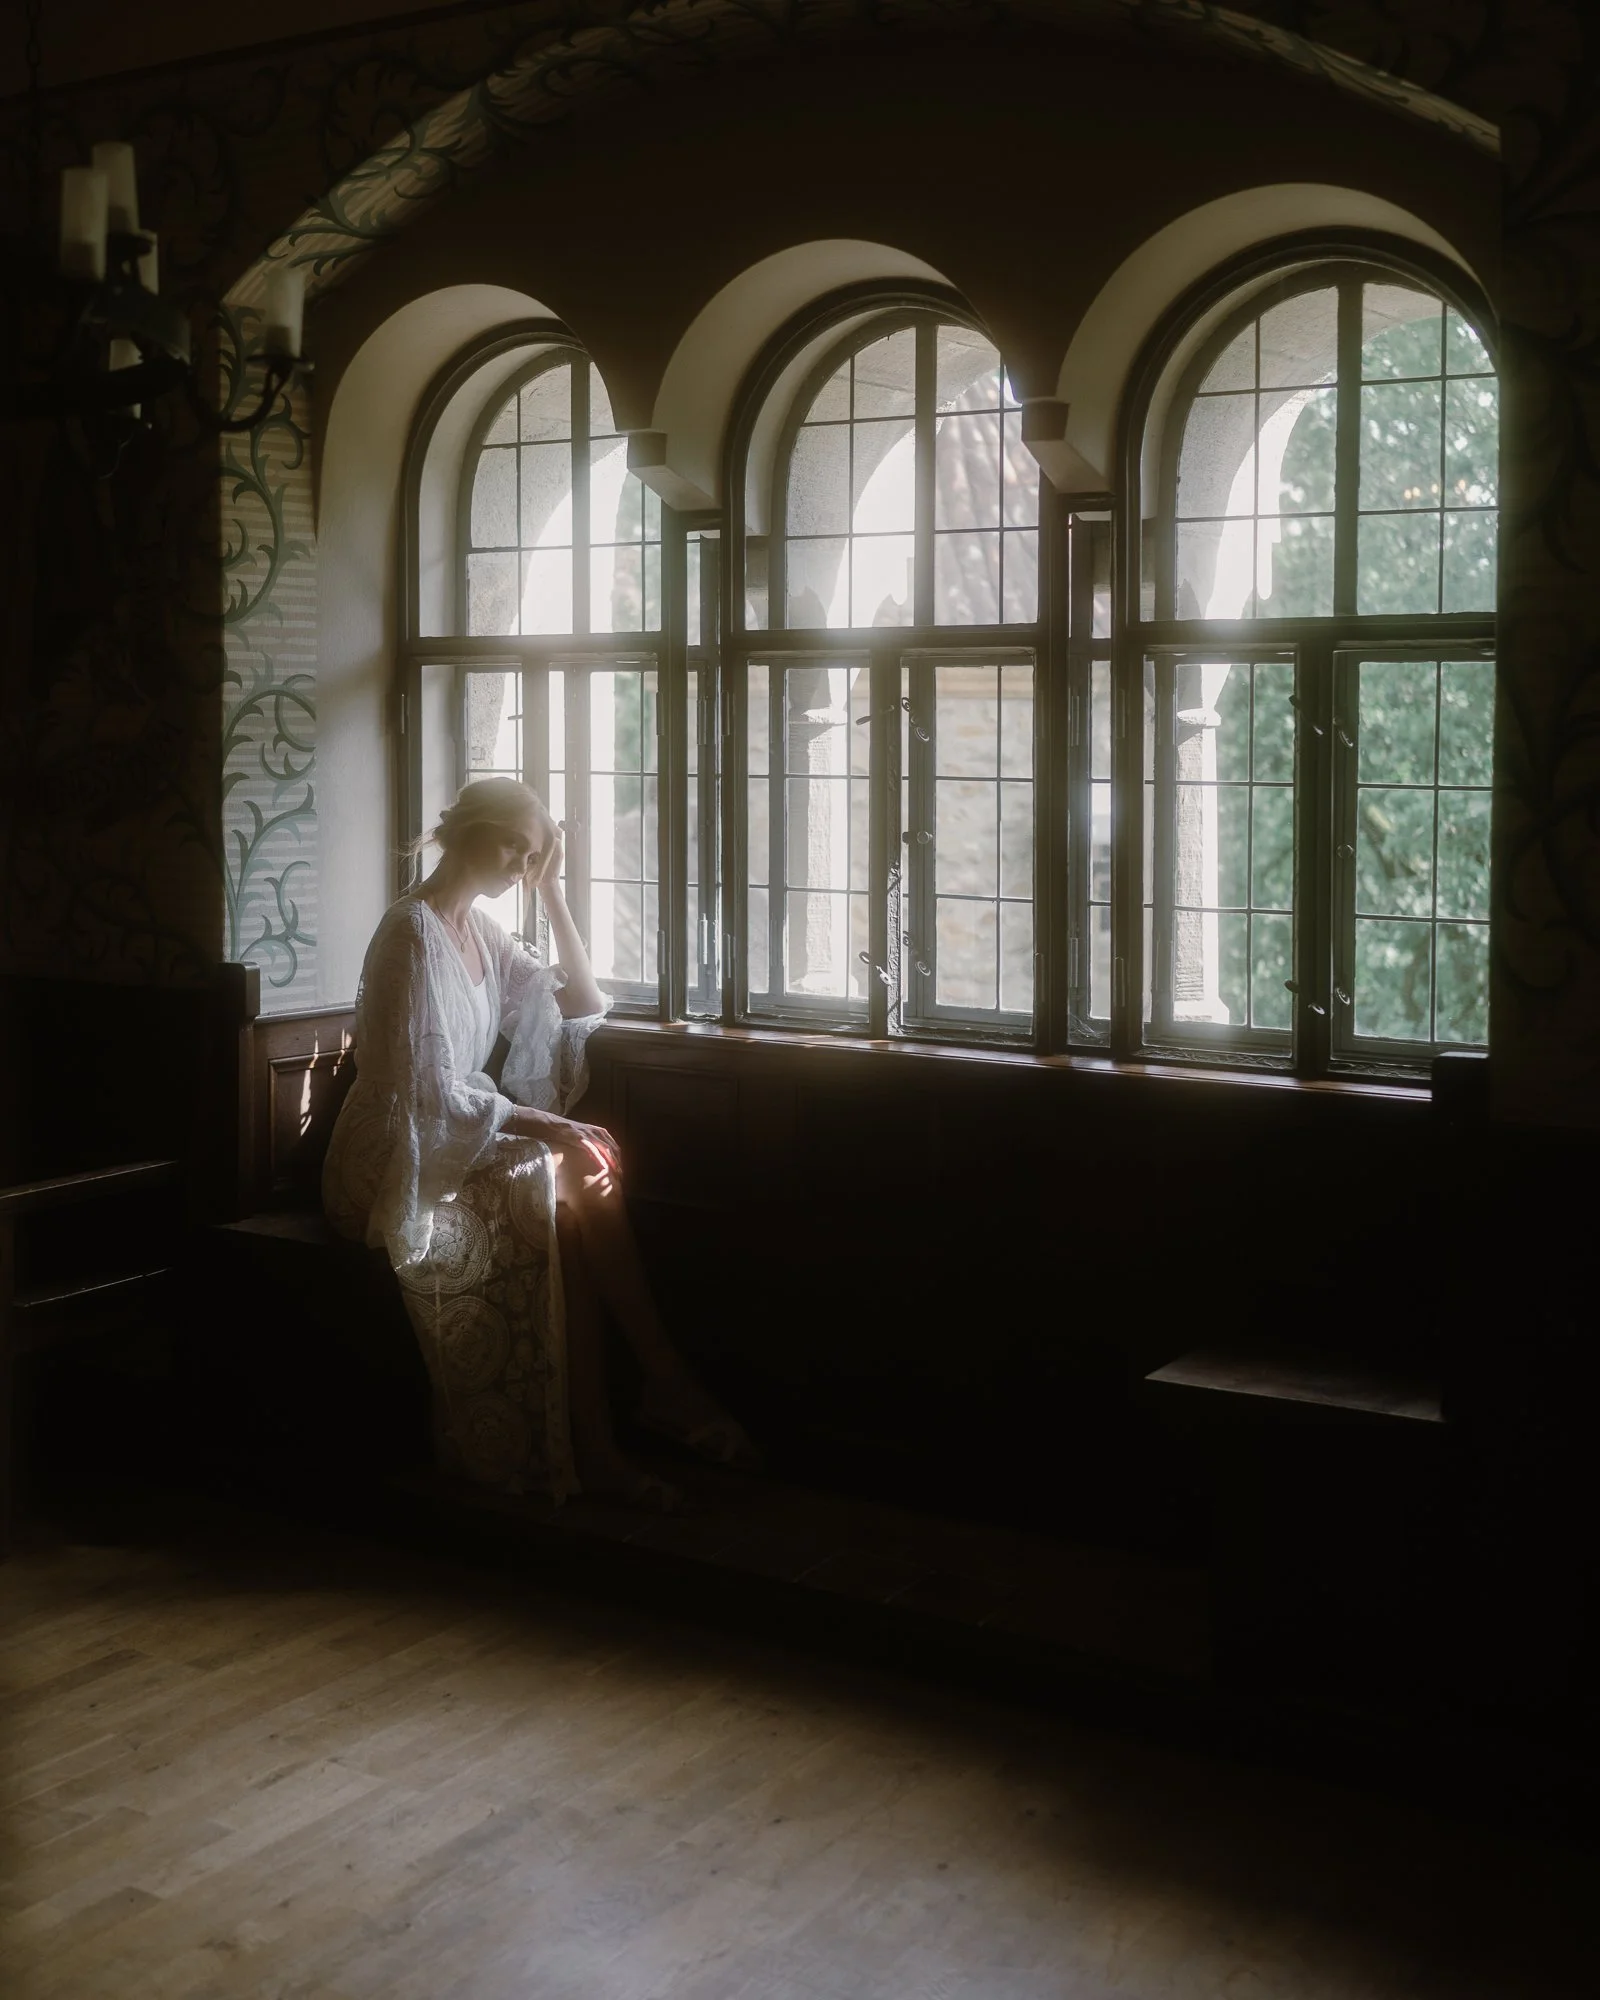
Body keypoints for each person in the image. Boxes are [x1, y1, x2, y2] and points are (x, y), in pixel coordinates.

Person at [322, 775, 755, 1506]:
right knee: (562, 1176)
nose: (521, 866)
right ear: (464, 832)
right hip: (390, 1151)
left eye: (535, 856)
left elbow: (580, 1004)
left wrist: (553, 894)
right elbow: (426, 1089)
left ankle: (626, 1419)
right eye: (514, 848)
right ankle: (642, 1409)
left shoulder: (481, 931)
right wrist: (555, 1124)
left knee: (572, 1192)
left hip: (451, 1132)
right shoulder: (409, 931)